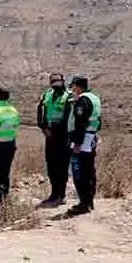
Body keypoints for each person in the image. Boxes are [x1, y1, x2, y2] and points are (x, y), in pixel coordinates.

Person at [67, 76, 102, 215]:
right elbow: (98, 120)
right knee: (89, 169)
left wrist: (77, 143)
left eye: (73, 86)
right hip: (91, 137)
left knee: (79, 171)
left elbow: (80, 123)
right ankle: (89, 201)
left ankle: (83, 203)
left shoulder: (82, 100)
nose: (72, 89)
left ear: (78, 87)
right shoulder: (94, 98)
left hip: (82, 140)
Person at [37, 73, 71, 207]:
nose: (56, 84)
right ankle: (54, 193)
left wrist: (56, 130)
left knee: (62, 165)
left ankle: (61, 194)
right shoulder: (47, 95)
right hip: (49, 134)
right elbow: (40, 111)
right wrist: (43, 127)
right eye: (53, 82)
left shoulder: (69, 96)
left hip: (63, 135)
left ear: (63, 82)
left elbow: (68, 117)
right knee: (51, 164)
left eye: (58, 82)